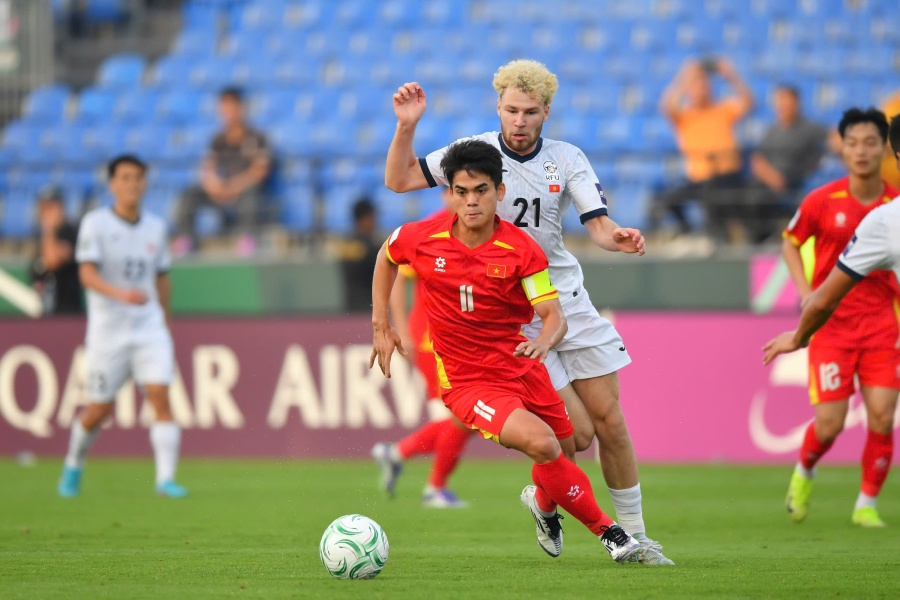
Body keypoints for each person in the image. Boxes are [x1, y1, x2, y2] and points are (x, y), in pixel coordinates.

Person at [384, 59, 673, 565]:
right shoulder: (471, 155)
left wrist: (617, 237)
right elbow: (402, 179)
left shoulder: (566, 159)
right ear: (497, 107)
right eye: (511, 110)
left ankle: (633, 534)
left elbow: (598, 225)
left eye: (530, 112)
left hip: (565, 302)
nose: (519, 121)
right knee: (575, 437)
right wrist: (406, 127)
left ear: (546, 113)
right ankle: (551, 501)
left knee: (611, 423)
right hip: (514, 321)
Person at [774, 108, 899, 528]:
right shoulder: (822, 201)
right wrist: (806, 294)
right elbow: (791, 242)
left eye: (870, 142)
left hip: (883, 324)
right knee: (830, 425)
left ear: (885, 148)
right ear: (841, 147)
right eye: (852, 142)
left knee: (882, 415)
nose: (861, 151)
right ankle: (805, 471)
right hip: (830, 326)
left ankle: (866, 504)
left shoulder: (893, 206)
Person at [57, 155, 187, 499]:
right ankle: (73, 463)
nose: (132, 184)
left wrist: (166, 320)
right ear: (112, 184)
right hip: (108, 330)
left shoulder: (156, 228)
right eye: (125, 178)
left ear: (145, 184)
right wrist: (120, 294)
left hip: (148, 326)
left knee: (160, 393)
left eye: (138, 178)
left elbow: (162, 278)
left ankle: (165, 480)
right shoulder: (96, 224)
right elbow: (86, 274)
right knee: (99, 408)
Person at [371, 187, 474, 508]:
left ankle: (397, 454)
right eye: (455, 189)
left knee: (470, 418)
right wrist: (400, 326)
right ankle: (434, 487)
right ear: (447, 193)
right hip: (433, 340)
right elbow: (399, 276)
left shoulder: (481, 227)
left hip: (466, 339)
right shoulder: (430, 230)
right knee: (465, 417)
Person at [649, 57, 754, 241]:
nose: (702, 90)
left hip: (726, 176)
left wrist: (731, 76)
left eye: (705, 86)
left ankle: (718, 239)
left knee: (714, 196)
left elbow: (748, 102)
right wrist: (684, 78)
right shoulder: (686, 116)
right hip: (698, 179)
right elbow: (666, 106)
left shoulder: (722, 110)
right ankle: (687, 231)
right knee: (667, 199)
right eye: (697, 86)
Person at [173, 87, 271, 257]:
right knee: (189, 194)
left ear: (241, 107)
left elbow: (260, 171)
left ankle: (247, 239)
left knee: (251, 195)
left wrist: (235, 186)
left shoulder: (257, 137)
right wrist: (214, 185)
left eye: (231, 106)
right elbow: (208, 167)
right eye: (223, 107)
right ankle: (187, 240)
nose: (227, 112)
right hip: (221, 190)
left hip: (244, 191)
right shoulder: (218, 139)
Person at [744, 85, 829, 242]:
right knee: (739, 195)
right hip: (767, 182)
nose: (783, 106)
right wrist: (769, 175)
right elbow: (758, 158)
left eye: (787, 102)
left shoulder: (808, 128)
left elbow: (832, 137)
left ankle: (766, 238)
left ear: (796, 104)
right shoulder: (772, 130)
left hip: (793, 183)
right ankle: (758, 239)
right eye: (780, 102)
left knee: (756, 198)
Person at [28, 186, 84, 315]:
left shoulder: (71, 232)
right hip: (46, 312)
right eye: (44, 208)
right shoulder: (39, 237)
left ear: (61, 207)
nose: (48, 213)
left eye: (52, 207)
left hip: (69, 313)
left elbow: (53, 261)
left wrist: (48, 229)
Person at [339, 198, 381, 313]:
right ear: (366, 218)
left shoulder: (346, 244)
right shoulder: (372, 248)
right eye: (373, 217)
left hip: (350, 309)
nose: (376, 222)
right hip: (370, 310)